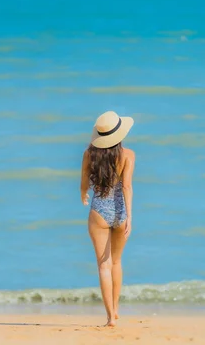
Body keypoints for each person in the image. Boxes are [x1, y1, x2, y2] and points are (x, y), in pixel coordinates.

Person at [80, 110, 135, 327]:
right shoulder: (128, 155)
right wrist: (129, 216)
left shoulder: (89, 154)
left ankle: (110, 317)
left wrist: (83, 194)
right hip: (120, 211)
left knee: (104, 265)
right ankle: (117, 308)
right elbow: (127, 186)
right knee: (117, 261)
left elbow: (84, 183)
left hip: (99, 211)